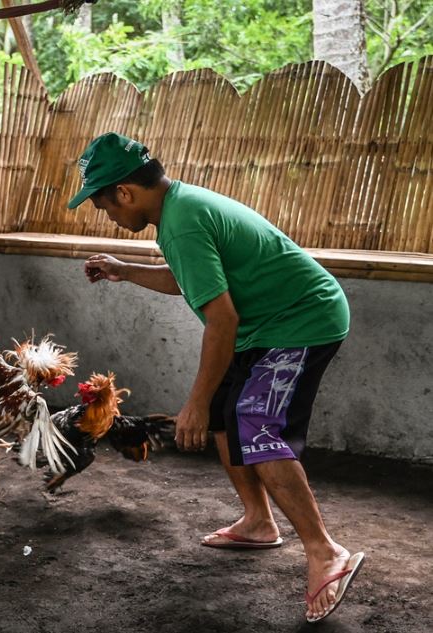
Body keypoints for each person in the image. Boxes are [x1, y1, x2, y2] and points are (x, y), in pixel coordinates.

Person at [72, 132, 363, 623]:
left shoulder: (182, 221)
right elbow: (188, 279)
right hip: (264, 325)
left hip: (302, 321)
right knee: (229, 419)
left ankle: (325, 551)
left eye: (104, 206)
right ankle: (257, 522)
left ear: (125, 192)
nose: (109, 217)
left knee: (254, 422)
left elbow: (221, 320)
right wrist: (126, 270)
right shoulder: (178, 210)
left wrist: (196, 401)